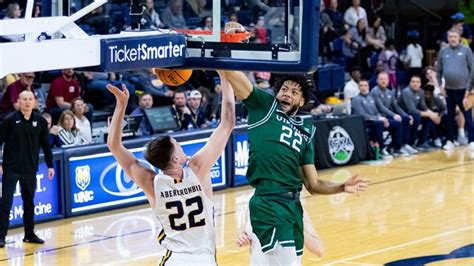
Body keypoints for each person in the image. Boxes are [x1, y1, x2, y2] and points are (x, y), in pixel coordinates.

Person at [219, 70, 368, 265]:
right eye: (284, 89)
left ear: (302, 100)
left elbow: (313, 184)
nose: (287, 94)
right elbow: (237, 78)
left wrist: (340, 187)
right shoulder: (265, 107)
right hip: (269, 204)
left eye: (295, 92)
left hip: (293, 207)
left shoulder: (306, 132)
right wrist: (222, 55)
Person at [105, 71, 235, 265]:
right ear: (175, 158)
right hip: (204, 259)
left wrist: (121, 106)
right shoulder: (198, 169)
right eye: (178, 145)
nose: (182, 147)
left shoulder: (152, 183)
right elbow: (228, 123)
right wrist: (226, 75)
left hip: (174, 260)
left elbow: (114, 146)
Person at [0, 91, 55, 248]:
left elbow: (46, 145)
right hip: (11, 168)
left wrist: (50, 165)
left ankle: (29, 234)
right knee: (6, 203)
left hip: (30, 169)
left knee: (29, 203)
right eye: (24, 99)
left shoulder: (40, 121)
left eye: (30, 99)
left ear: (35, 102)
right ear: (18, 101)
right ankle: (1, 236)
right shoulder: (9, 120)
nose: (27, 102)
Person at [236, 206, 324, 265]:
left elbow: (319, 250)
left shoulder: (296, 209)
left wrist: (295, 226)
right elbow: (245, 230)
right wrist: (242, 237)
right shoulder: (252, 205)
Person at [436, 30, 474, 151]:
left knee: (468, 116)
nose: (452, 39)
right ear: (447, 38)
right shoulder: (443, 51)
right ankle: (450, 140)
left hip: (464, 90)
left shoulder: (466, 50)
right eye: (450, 37)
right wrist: (440, 87)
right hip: (449, 90)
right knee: (450, 116)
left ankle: (472, 141)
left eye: (455, 37)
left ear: (459, 38)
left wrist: (469, 89)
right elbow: (439, 70)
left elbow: (472, 70)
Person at [352, 79, 407, 158]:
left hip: (375, 121)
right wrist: (378, 119)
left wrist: (382, 118)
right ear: (358, 87)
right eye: (361, 86)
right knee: (379, 123)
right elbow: (362, 115)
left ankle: (396, 148)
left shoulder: (371, 97)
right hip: (365, 122)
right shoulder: (356, 99)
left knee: (397, 123)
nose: (363, 87)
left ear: (368, 87)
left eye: (365, 85)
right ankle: (381, 149)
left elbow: (376, 111)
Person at [370, 72, 418, 155]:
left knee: (406, 119)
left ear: (388, 81)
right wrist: (394, 115)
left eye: (385, 79)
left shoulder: (389, 92)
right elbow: (381, 108)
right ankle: (397, 147)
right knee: (398, 122)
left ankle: (405, 144)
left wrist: (407, 115)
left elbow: (396, 107)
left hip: (388, 116)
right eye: (381, 79)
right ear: (377, 81)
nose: (383, 81)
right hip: (379, 116)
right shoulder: (375, 92)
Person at [398, 75, 441, 150]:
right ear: (409, 83)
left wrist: (432, 114)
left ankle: (421, 142)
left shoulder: (421, 92)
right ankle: (411, 143)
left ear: (420, 83)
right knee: (417, 118)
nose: (415, 84)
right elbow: (411, 110)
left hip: (414, 112)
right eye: (413, 82)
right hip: (403, 113)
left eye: (417, 82)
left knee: (428, 118)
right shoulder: (406, 92)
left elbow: (423, 106)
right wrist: (430, 114)